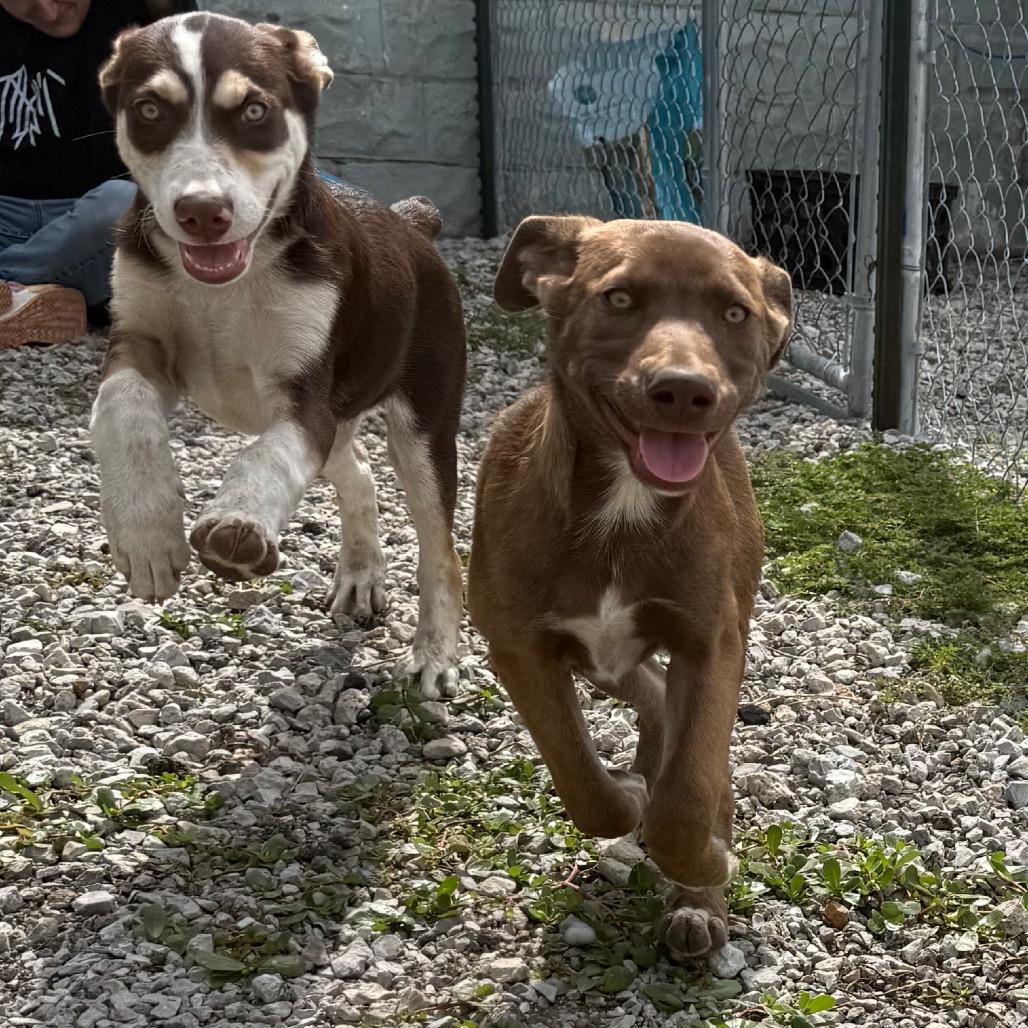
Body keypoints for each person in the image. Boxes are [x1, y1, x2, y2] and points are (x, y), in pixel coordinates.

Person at [0, 0, 197, 348]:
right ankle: (36, 301)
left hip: (93, 225)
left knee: (124, 207)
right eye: (26, 5)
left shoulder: (153, 13)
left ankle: (13, 290)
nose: (47, 11)